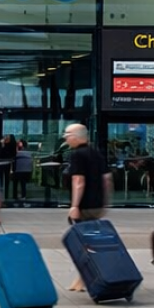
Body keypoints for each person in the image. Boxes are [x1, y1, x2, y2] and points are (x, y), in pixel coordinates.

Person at [63, 123, 112, 292]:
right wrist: (105, 202)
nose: (65, 137)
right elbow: (107, 179)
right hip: (96, 205)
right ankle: (82, 278)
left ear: (77, 137)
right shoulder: (96, 154)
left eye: (68, 134)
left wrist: (74, 205)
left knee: (83, 244)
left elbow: (78, 181)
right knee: (89, 242)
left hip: (84, 206)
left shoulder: (77, 155)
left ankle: (86, 278)